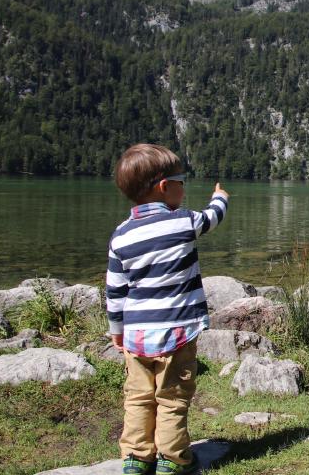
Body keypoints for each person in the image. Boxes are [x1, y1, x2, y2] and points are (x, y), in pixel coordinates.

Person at [106, 144, 229, 475]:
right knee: (173, 397)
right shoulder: (182, 222)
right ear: (164, 187)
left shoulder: (121, 236)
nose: (184, 188)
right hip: (177, 332)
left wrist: (117, 331)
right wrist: (220, 197)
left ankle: (136, 457)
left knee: (138, 397)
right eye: (181, 181)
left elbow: (115, 292)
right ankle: (173, 459)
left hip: (136, 336)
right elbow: (213, 217)